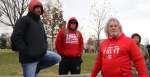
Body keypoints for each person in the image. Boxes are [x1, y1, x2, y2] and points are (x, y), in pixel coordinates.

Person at [11, 0, 61, 77]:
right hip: (29, 59)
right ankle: (33, 72)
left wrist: (44, 48)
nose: (39, 10)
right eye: (37, 8)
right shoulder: (23, 20)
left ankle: (35, 70)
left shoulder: (40, 23)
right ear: (31, 8)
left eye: (40, 8)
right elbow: (16, 38)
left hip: (41, 54)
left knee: (57, 58)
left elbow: (44, 37)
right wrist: (28, 52)